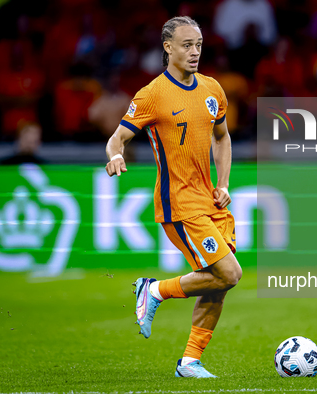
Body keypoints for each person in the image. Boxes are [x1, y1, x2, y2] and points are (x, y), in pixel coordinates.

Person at [104, 16, 242, 379]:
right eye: (186, 45)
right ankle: (154, 291)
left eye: (198, 44)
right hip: (178, 204)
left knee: (216, 283)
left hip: (210, 202)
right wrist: (116, 155)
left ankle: (190, 361)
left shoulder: (213, 89)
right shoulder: (152, 95)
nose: (194, 52)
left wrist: (223, 183)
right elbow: (117, 138)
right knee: (230, 273)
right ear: (168, 48)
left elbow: (222, 137)